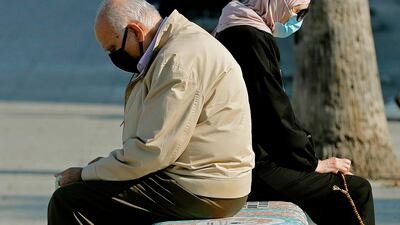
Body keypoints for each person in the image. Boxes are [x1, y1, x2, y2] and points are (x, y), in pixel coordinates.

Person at [47, 0, 255, 224]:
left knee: (69, 202)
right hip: (199, 178)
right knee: (96, 187)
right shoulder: (175, 44)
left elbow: (153, 150)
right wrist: (102, 170)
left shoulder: (178, 60)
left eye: (114, 49)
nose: (114, 58)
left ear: (136, 31)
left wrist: (84, 173)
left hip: (204, 187)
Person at [214, 0, 375, 224]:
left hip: (241, 158)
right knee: (355, 191)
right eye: (299, 12)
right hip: (252, 167)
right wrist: (313, 163)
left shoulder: (232, 26)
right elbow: (274, 114)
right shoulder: (250, 37)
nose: (297, 20)